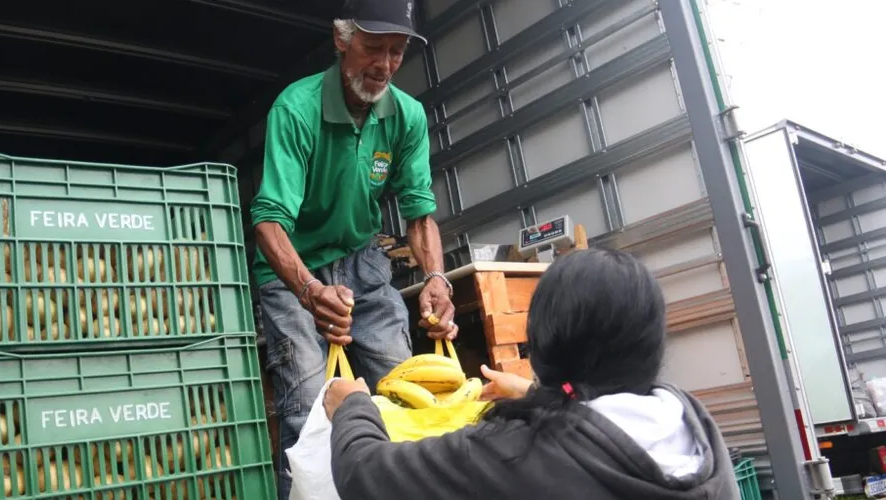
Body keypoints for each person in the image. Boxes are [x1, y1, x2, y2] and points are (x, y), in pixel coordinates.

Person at [324, 248, 739, 499]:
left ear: (543, 345)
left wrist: (353, 408)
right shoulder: (695, 425)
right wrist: (532, 393)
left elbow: (365, 475)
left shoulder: (508, 454)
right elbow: (604, 428)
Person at [248, 1, 457, 497]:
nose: (384, 65)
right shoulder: (296, 109)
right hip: (293, 267)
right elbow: (268, 221)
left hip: (363, 261)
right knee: (308, 407)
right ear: (342, 40)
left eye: (396, 52)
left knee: (406, 389)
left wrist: (436, 279)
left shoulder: (406, 116)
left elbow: (419, 213)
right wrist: (309, 290)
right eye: (372, 48)